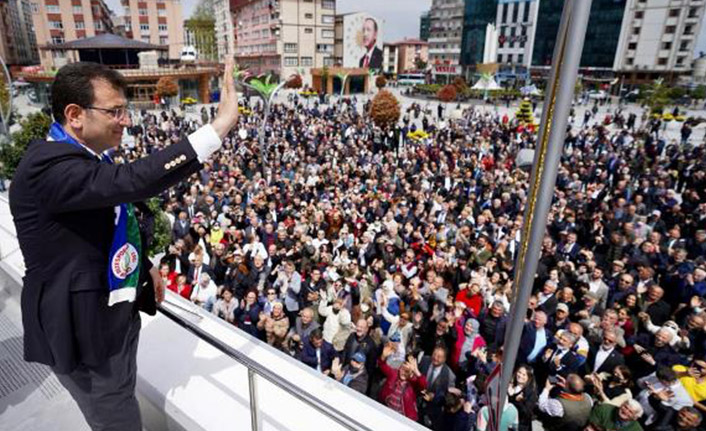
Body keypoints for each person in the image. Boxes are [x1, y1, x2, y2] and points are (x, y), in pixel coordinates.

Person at [9, 58, 239, 430]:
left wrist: (142, 262)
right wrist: (219, 127)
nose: (126, 121)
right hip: (85, 335)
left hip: (109, 319)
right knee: (117, 418)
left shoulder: (78, 157)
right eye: (115, 111)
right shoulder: (50, 168)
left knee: (120, 397)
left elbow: (100, 227)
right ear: (75, 114)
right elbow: (134, 181)